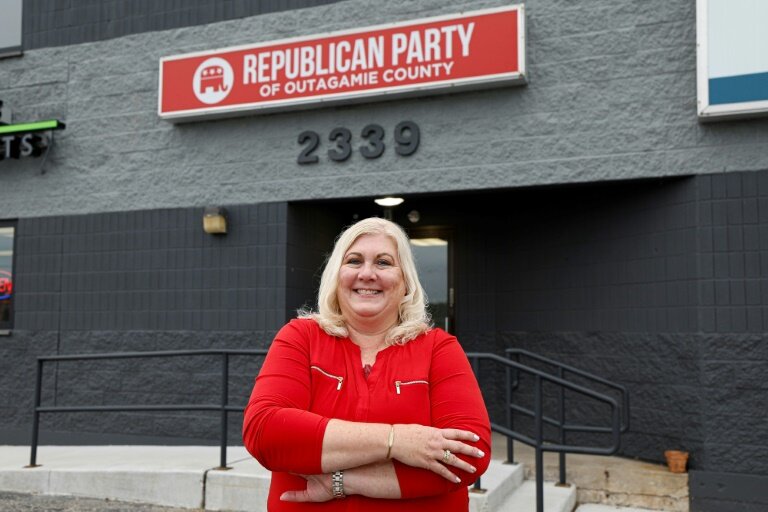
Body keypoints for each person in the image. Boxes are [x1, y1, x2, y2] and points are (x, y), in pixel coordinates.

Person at [242, 217, 491, 511]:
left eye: (383, 263)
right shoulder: (301, 337)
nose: (367, 273)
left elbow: (468, 456)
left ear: (405, 282)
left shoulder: (438, 348)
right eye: (354, 261)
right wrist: (398, 441)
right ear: (337, 275)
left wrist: (342, 481)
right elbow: (266, 432)